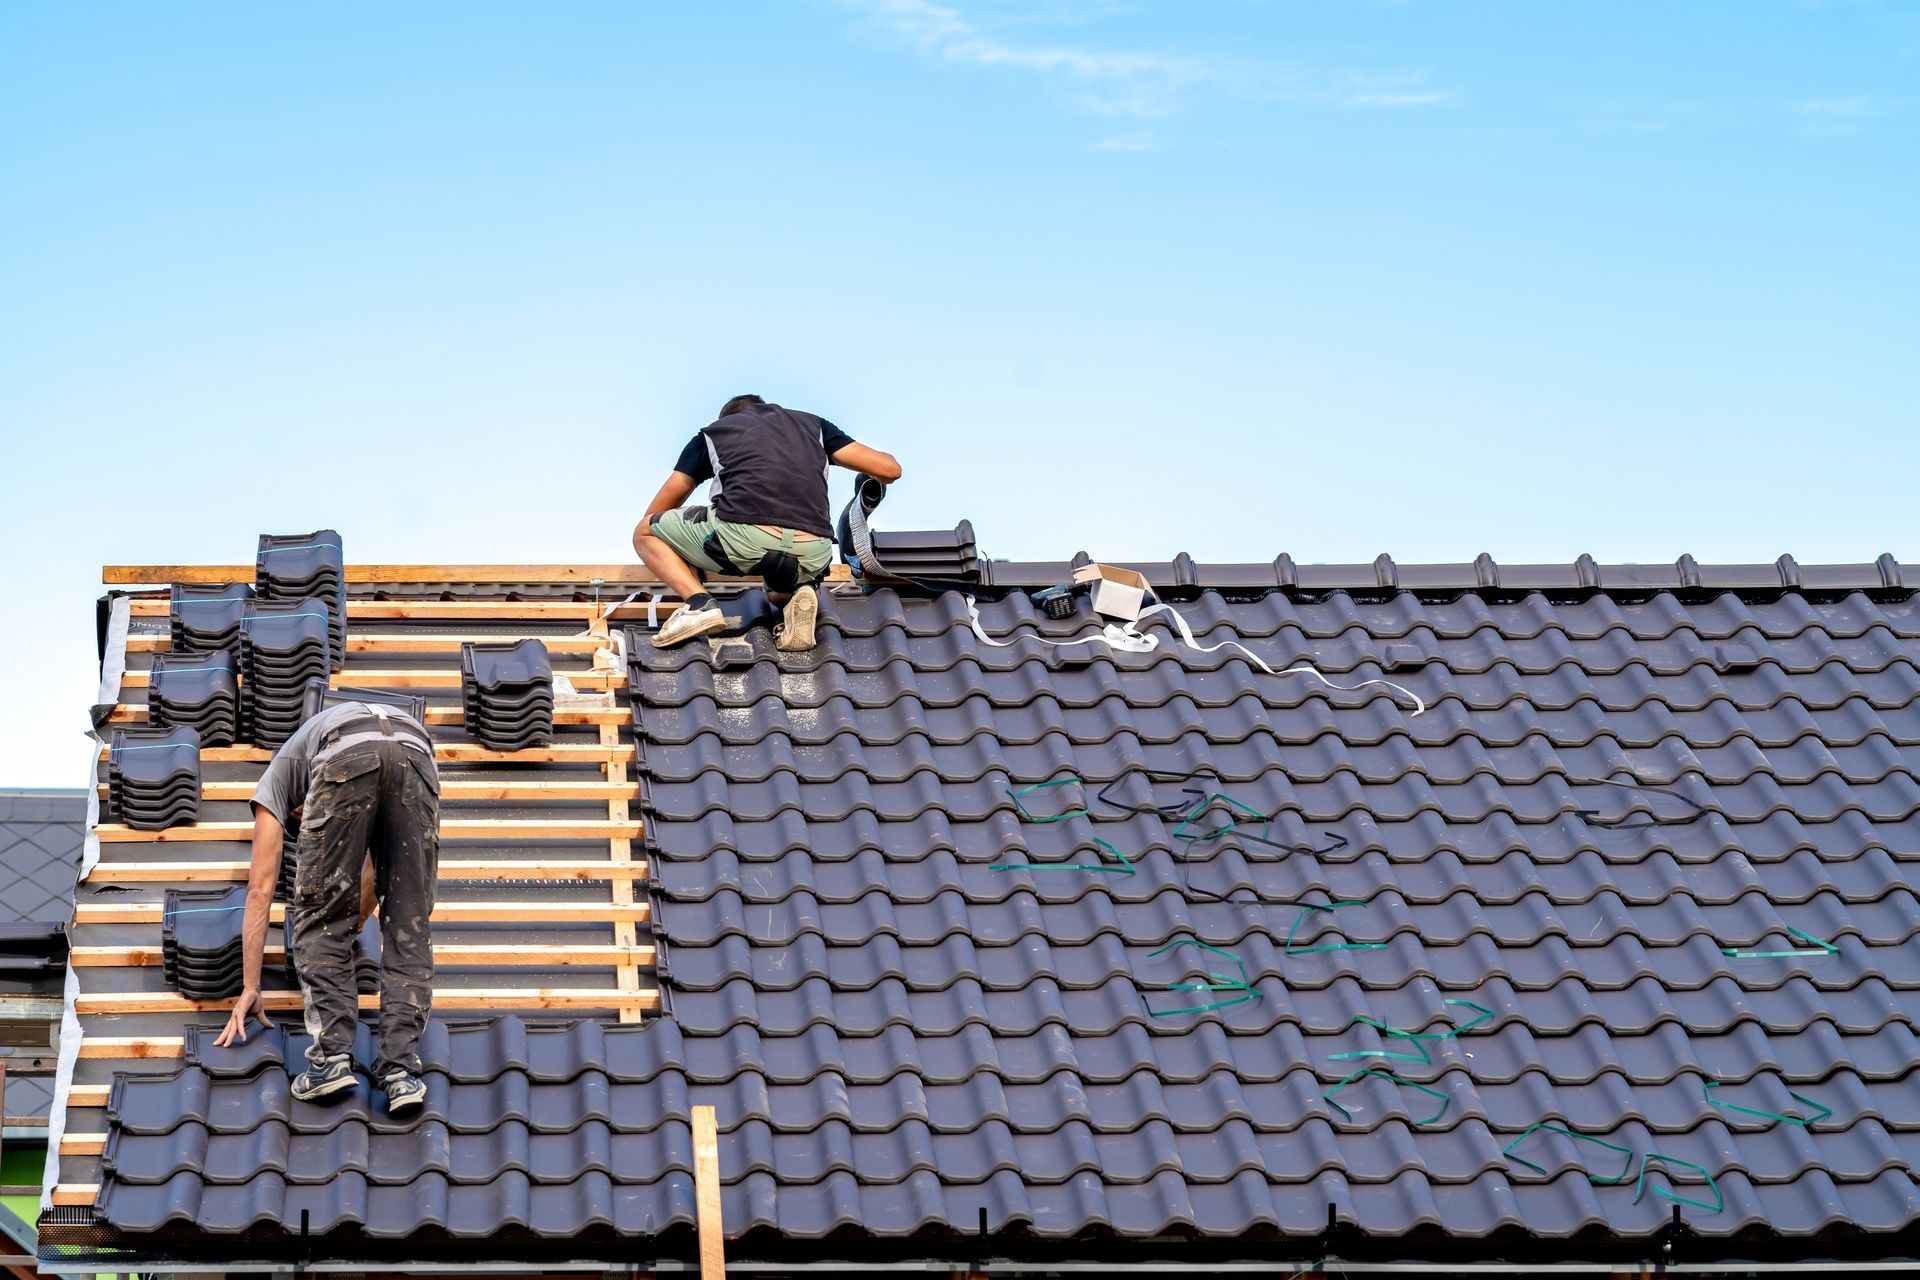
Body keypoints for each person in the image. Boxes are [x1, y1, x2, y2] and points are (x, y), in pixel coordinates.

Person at [214, 700, 440, 1113]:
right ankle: (400, 1072)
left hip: (346, 753)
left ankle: (331, 1061)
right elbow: (373, 878)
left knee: (318, 914)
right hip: (417, 751)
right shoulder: (305, 755)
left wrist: (251, 987)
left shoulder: (276, 782)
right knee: (410, 921)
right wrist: (354, 924)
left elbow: (260, 890)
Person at [633, 395, 901, 650]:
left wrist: (686, 554)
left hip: (744, 539)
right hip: (814, 552)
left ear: (727, 418)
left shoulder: (715, 433)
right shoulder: (814, 426)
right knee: (775, 592)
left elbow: (656, 514)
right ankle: (798, 596)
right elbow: (890, 470)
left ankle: (699, 604)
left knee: (644, 532)